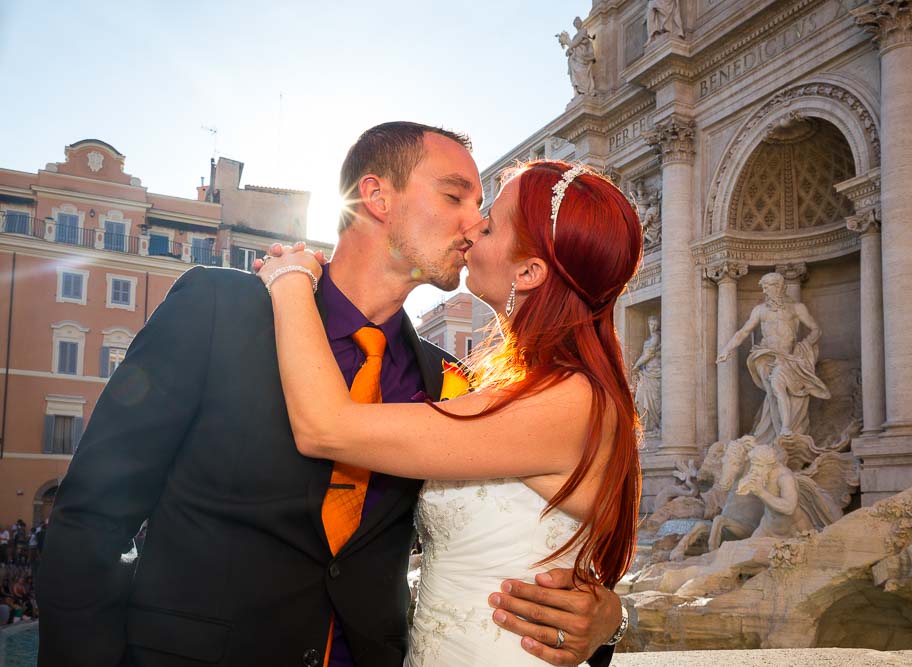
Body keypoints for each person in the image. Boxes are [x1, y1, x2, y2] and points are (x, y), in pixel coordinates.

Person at [36, 122, 622, 667]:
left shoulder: (452, 383)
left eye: (484, 210)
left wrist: (610, 619)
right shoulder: (219, 310)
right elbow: (90, 520)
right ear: (377, 197)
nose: (474, 223)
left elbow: (539, 536)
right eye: (456, 197)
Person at [254, 159, 642, 666]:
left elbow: (326, 427)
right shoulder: (507, 389)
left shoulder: (570, 401)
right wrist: (612, 615)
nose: (473, 226)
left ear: (529, 271)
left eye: (492, 221)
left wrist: (288, 280)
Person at [715, 271, 830, 442]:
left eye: (767, 287)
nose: (764, 291)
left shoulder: (796, 308)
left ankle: (775, 432)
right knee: (774, 387)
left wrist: (804, 346)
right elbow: (744, 332)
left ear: (778, 287)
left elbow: (816, 329)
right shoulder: (760, 310)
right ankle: (783, 429)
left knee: (777, 386)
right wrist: (727, 349)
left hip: (788, 357)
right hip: (765, 356)